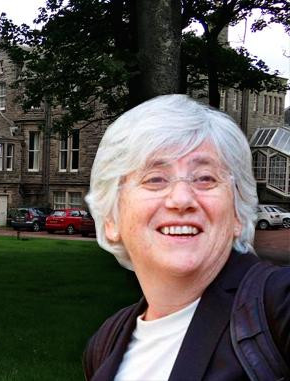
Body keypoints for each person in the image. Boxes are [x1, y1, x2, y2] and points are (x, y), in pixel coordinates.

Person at [82, 94, 289, 380]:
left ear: (238, 214)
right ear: (111, 220)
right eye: (155, 179)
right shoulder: (105, 343)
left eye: (205, 178)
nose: (181, 199)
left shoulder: (278, 306)